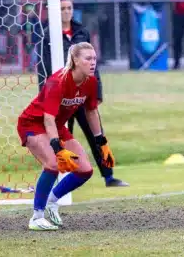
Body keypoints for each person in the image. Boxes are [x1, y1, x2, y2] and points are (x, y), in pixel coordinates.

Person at [18, 42, 115, 230]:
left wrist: (102, 143)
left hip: (56, 125)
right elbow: (47, 119)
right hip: (33, 123)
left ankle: (52, 202)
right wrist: (57, 148)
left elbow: (92, 112)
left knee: (85, 170)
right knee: (53, 164)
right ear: (75, 60)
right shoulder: (57, 82)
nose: (93, 62)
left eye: (94, 58)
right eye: (88, 58)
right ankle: (37, 217)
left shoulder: (91, 82)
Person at [37, 0, 129, 187]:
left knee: (95, 132)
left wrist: (98, 91)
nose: (66, 12)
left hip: (83, 94)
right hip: (61, 97)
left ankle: (109, 176)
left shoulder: (81, 32)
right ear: (55, 11)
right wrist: (44, 94)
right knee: (62, 137)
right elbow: (43, 66)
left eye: (69, 8)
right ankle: (61, 179)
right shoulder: (48, 35)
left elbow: (93, 64)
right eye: (62, 9)